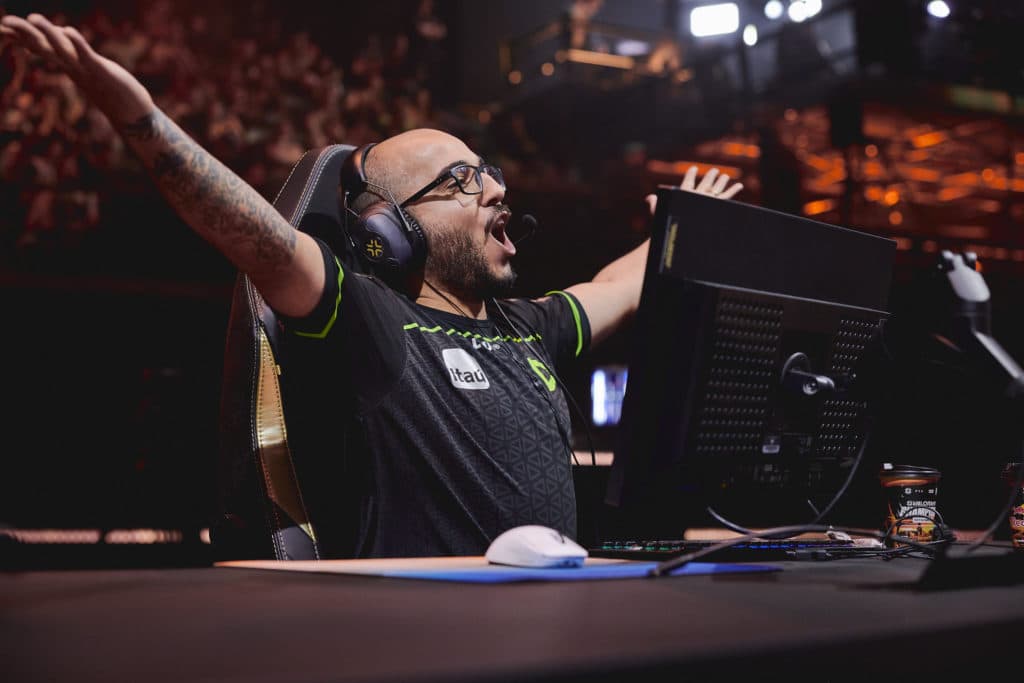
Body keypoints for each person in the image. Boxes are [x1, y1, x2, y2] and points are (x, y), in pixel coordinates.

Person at [0, 13, 743, 557]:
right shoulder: (372, 324)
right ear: (393, 230)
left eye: (489, 172)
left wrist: (680, 226)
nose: (494, 188)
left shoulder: (529, 326)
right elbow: (258, 238)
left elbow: (619, 283)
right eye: (461, 180)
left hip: (564, 630)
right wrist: (142, 120)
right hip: (431, 644)